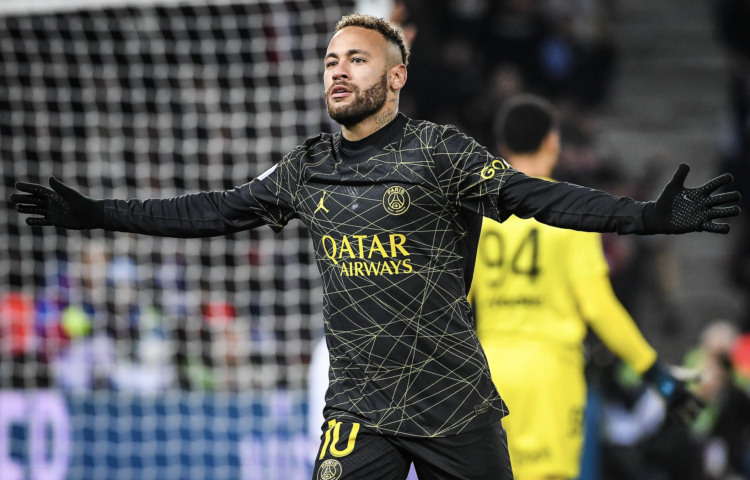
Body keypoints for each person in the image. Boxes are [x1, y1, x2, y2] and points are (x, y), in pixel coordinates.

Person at [10, 14, 741, 480]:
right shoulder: (307, 167)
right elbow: (211, 211)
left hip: (453, 401)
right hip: (360, 408)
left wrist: (646, 218)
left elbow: (538, 198)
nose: (337, 69)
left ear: (396, 77)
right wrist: (98, 212)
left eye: (356, 59)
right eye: (330, 59)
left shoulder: (440, 154)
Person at [469, 95, 710, 480]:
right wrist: (656, 374)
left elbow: (452, 302)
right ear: (552, 143)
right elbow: (598, 306)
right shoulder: (569, 211)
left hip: (488, 369)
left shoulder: (476, 215)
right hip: (551, 369)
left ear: (501, 148)